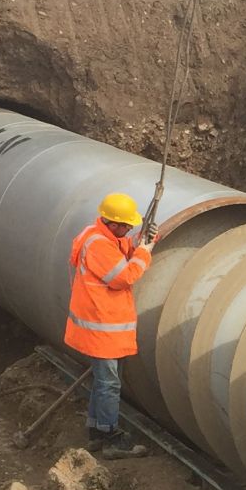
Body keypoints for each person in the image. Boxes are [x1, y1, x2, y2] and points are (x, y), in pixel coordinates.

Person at [65, 191, 155, 458]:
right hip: (101, 329)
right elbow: (124, 276)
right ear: (111, 223)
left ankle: (97, 432)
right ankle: (109, 439)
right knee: (109, 385)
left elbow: (125, 249)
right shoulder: (99, 245)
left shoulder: (104, 236)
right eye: (126, 225)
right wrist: (145, 254)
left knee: (104, 383)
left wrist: (146, 240)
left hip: (103, 328)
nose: (128, 230)